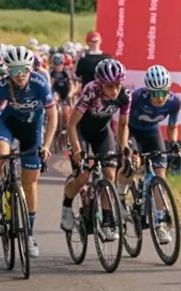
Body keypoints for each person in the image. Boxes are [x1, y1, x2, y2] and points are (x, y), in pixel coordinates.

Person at [0, 46, 58, 258]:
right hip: (9, 123)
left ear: (30, 68)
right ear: (8, 72)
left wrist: (47, 146)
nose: (20, 75)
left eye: (23, 69)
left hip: (33, 128)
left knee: (30, 182)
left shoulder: (40, 83)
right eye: (14, 71)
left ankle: (30, 235)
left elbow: (53, 116)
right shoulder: (3, 85)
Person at [59, 59, 131, 241]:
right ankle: (67, 207)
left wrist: (124, 147)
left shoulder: (125, 95)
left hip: (102, 132)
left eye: (117, 85)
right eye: (109, 86)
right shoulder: (91, 91)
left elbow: (123, 125)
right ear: (100, 84)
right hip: (81, 132)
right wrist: (76, 150)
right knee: (82, 176)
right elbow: (72, 124)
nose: (114, 90)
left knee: (109, 174)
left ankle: (107, 221)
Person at [127, 65, 181, 245]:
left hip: (152, 133)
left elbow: (172, 127)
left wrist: (173, 142)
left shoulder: (174, 102)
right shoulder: (136, 98)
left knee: (160, 177)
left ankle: (160, 224)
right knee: (131, 165)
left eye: (162, 93)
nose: (159, 98)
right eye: (154, 93)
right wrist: (127, 147)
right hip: (132, 132)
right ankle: (122, 195)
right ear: (148, 91)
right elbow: (122, 123)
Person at [49, 53, 76, 126]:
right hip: (56, 90)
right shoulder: (51, 71)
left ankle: (67, 125)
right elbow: (49, 85)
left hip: (66, 91)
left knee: (65, 110)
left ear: (63, 63)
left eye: (60, 63)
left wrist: (69, 96)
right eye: (55, 64)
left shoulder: (66, 71)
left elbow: (71, 86)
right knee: (54, 103)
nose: (57, 66)